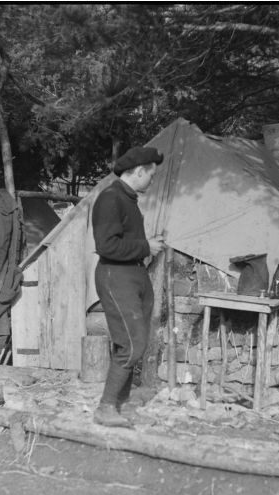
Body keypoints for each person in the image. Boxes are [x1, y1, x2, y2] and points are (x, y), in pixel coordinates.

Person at [91, 146, 166, 427]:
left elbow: (123, 241)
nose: (152, 180)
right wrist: (147, 246)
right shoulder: (111, 198)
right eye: (151, 175)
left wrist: (145, 247)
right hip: (116, 276)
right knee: (133, 344)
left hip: (133, 274)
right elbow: (106, 245)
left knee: (131, 342)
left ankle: (118, 404)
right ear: (138, 171)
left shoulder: (127, 199)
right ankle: (105, 407)